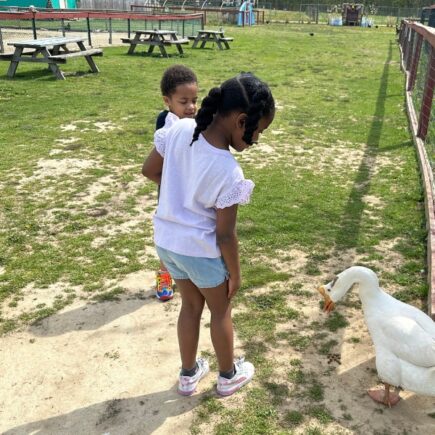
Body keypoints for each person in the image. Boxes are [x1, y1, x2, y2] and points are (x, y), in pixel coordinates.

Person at [142, 72, 275, 396]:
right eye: (257, 131)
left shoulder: (180, 128)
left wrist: (179, 187)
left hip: (168, 244)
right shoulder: (229, 171)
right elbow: (225, 235)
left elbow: (149, 170)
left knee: (189, 306)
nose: (256, 140)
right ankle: (227, 375)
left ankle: (188, 374)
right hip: (200, 250)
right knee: (220, 310)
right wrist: (237, 275)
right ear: (241, 121)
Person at [153, 65, 198, 301]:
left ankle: (189, 273)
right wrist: (168, 184)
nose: (190, 107)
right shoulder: (165, 122)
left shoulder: (200, 120)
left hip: (193, 189)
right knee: (169, 233)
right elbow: (157, 163)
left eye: (194, 100)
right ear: (168, 101)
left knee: (191, 229)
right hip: (170, 191)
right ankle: (164, 274)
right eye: (184, 101)